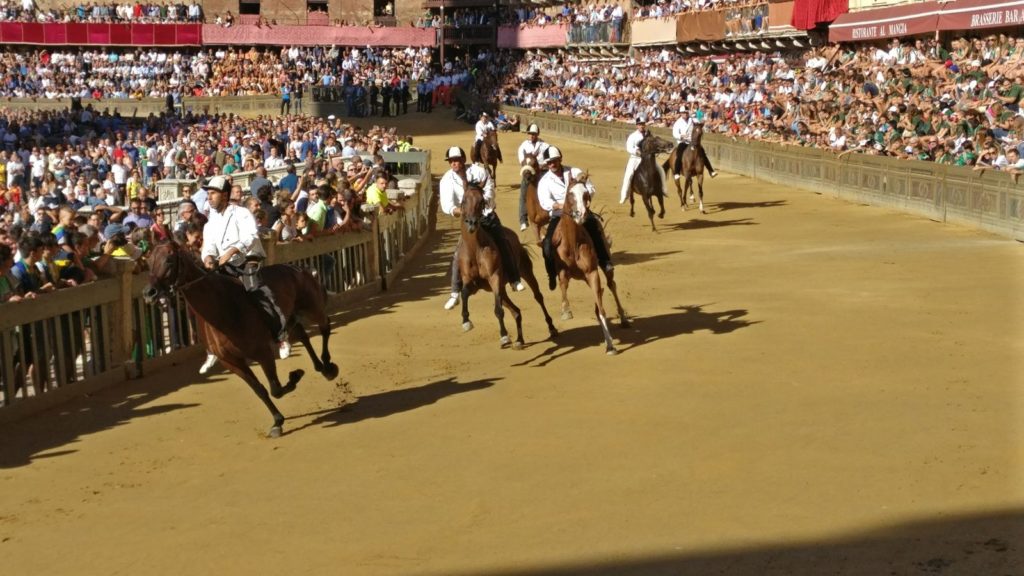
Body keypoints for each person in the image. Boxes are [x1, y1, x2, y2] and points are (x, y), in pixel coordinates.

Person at [200, 176, 291, 359]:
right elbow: (208, 246)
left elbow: (250, 236)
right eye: (208, 194)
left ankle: (281, 337)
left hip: (248, 258)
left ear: (224, 195)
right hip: (224, 264)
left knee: (255, 290)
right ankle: (213, 347)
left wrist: (231, 251)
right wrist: (208, 257)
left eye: (213, 194)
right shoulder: (210, 223)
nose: (209, 198)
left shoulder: (241, 212)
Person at [438, 146, 524, 311]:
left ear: (464, 160)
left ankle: (514, 278)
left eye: (457, 160)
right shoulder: (446, 180)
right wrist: (462, 211)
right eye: (451, 161)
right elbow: (447, 206)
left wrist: (481, 205)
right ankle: (455, 293)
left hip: (485, 213)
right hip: (467, 219)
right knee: (458, 252)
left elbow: (490, 190)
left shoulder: (478, 171)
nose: (454, 163)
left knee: (502, 240)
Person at [538, 146, 612, 290]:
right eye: (549, 163)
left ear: (560, 159)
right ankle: (552, 274)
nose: (551, 165)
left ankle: (605, 262)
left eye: (554, 161)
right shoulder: (545, 181)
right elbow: (544, 202)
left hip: (580, 210)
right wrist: (559, 205)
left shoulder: (574, 172)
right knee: (547, 245)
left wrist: (585, 198)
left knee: (595, 230)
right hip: (560, 216)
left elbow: (591, 188)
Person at [619, 115, 665, 204]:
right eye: (640, 124)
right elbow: (628, 147)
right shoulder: (633, 136)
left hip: (647, 159)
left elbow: (653, 144)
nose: (642, 126)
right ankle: (624, 195)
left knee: (661, 170)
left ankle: (663, 189)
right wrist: (636, 151)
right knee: (629, 175)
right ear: (637, 125)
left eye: (643, 124)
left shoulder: (649, 135)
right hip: (635, 159)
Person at [516, 123, 549, 231]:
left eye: (533, 134)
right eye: (530, 133)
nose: (531, 136)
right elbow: (522, 160)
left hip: (542, 172)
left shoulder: (544, 145)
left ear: (537, 134)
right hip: (528, 172)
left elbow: (548, 159)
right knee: (523, 194)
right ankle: (523, 220)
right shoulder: (523, 145)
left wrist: (541, 164)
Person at [671, 110, 718, 180]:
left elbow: (699, 124)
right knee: (679, 155)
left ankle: (711, 171)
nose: (685, 114)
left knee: (703, 154)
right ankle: (677, 173)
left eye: (686, 113)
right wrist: (681, 136)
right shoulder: (678, 123)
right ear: (681, 114)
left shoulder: (692, 119)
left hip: (693, 142)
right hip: (683, 142)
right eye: (684, 113)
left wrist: (702, 122)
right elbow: (674, 133)